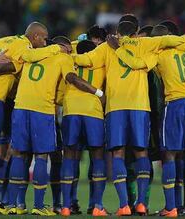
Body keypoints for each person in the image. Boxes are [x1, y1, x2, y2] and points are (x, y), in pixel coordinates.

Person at [74, 17, 185, 216]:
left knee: (118, 154)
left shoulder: (108, 46)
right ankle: (141, 203)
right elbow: (170, 40)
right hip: (140, 107)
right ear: (137, 31)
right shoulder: (146, 43)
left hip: (115, 107)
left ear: (118, 30)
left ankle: (124, 205)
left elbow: (84, 59)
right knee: (142, 153)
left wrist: (63, 51)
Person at [0, 33, 104, 216]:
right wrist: (97, 92)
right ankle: (39, 206)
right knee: (41, 157)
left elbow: (10, 68)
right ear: (63, 47)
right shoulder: (62, 57)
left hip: (20, 107)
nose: (70, 51)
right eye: (69, 48)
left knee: (19, 155)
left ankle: (16, 205)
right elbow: (72, 78)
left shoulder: (32, 54)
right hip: (43, 110)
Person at [0, 22, 63, 215]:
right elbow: (8, 66)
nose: (44, 42)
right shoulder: (23, 46)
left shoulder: (4, 41)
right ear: (34, 36)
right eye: (43, 38)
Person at [114, 24, 185, 217]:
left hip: (175, 104)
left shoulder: (158, 54)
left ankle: (171, 207)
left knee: (169, 155)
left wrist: (118, 49)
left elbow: (136, 64)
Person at [60, 39, 108, 216]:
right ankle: (97, 206)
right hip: (92, 111)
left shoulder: (68, 62)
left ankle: (66, 206)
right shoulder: (100, 62)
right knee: (97, 156)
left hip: (71, 110)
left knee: (70, 155)